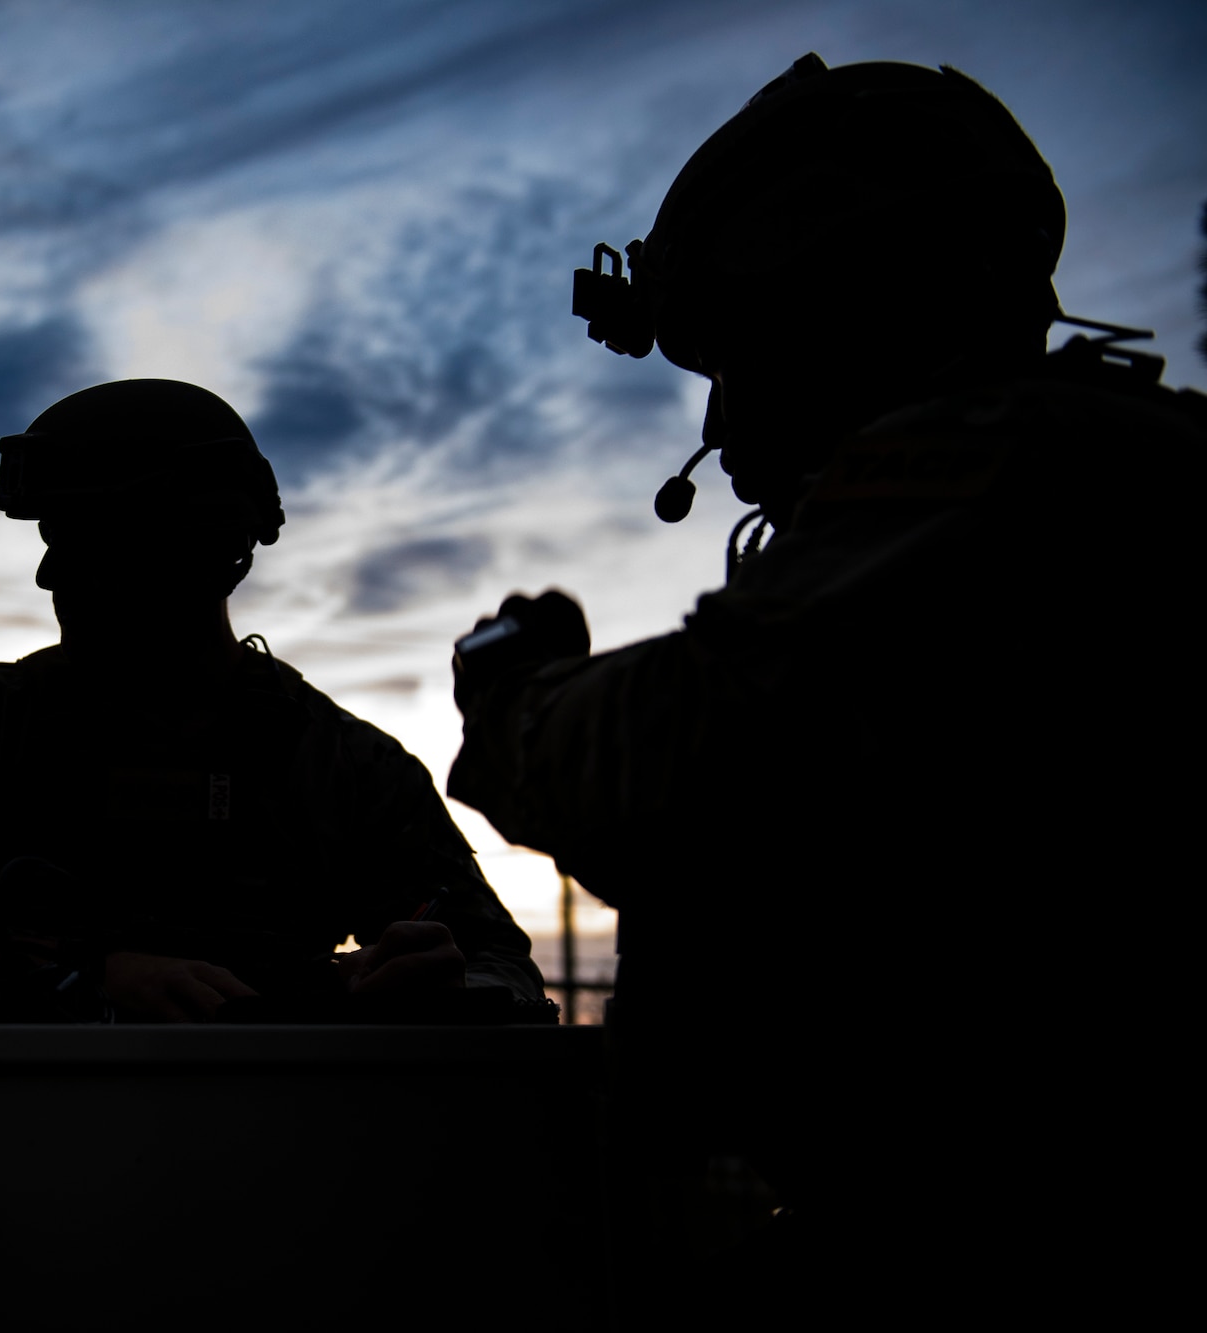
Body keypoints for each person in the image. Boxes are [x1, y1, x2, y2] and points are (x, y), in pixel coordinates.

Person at [447, 55, 1202, 1323]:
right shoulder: (1105, 459)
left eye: (739, 355)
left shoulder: (1003, 459)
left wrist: (523, 696)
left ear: (838, 314)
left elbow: (674, 765)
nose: (722, 419)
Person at [0, 378, 545, 1024]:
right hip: (9, 1131)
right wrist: (65, 980)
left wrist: (435, 984)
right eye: (53, 538)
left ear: (207, 555)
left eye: (93, 541)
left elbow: (494, 964)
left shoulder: (342, 767)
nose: (51, 575)